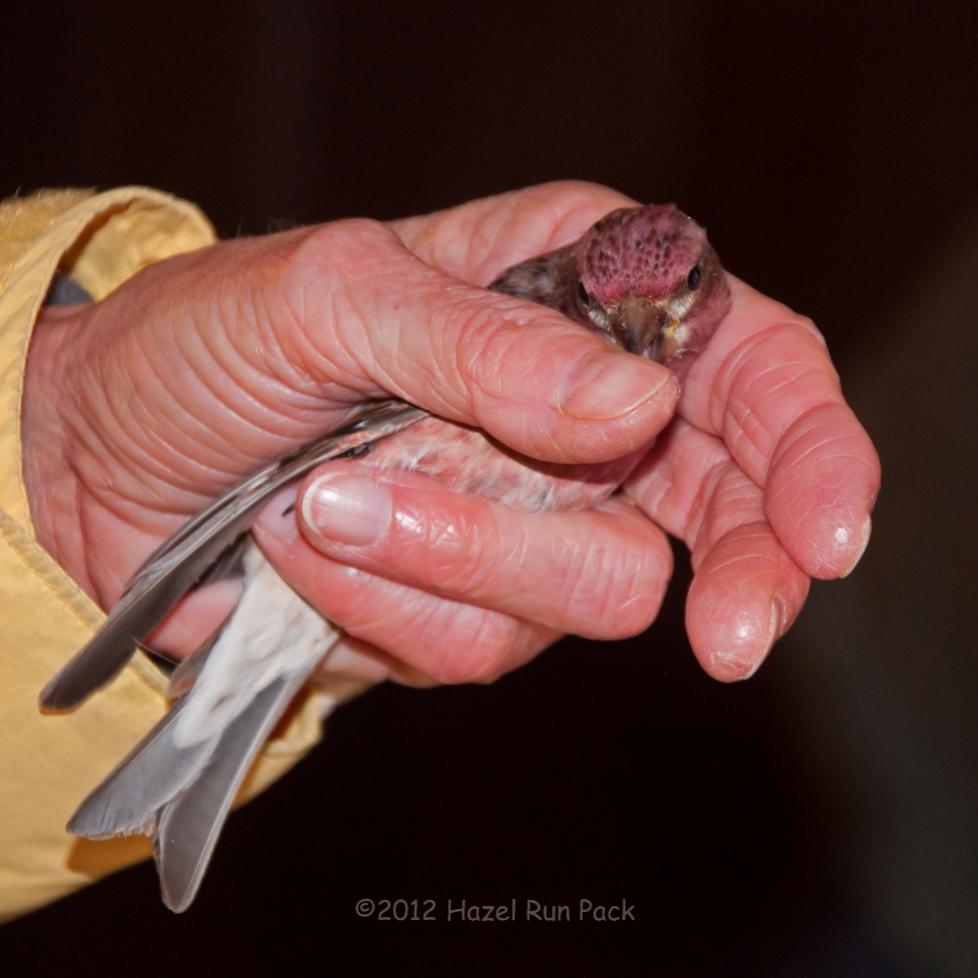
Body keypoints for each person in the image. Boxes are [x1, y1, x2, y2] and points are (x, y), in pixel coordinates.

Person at [0, 181, 880, 918]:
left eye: (677, 295)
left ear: (707, 278)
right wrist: (64, 435)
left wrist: (62, 484)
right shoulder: (510, 328)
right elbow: (322, 438)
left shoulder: (634, 376)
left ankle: (194, 735)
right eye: (606, 312)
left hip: (306, 571)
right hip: (299, 524)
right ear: (577, 290)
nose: (640, 339)